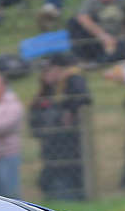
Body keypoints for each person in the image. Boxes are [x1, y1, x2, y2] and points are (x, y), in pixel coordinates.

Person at [29, 55, 90, 200]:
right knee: (49, 179)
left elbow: (83, 100)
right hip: (50, 144)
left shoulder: (72, 82)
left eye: (51, 70)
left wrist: (67, 112)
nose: (48, 74)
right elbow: (34, 119)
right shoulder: (44, 93)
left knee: (68, 177)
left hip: (69, 143)